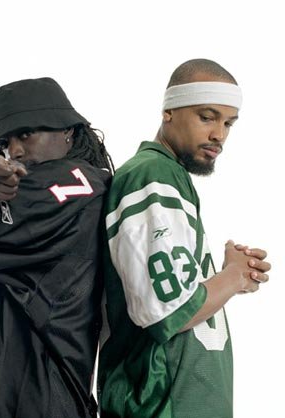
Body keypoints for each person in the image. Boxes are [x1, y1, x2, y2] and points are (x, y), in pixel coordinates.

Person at [0, 77, 114, 418]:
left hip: (30, 394)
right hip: (50, 389)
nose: (13, 151)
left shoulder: (66, 185)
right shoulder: (92, 184)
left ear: (67, 130)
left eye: (25, 134)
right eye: (5, 142)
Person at [97, 59, 271, 418]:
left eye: (228, 123)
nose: (219, 135)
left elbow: (172, 295)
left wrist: (227, 279)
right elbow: (170, 311)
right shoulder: (152, 173)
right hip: (161, 403)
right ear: (169, 112)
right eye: (207, 117)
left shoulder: (170, 174)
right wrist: (234, 275)